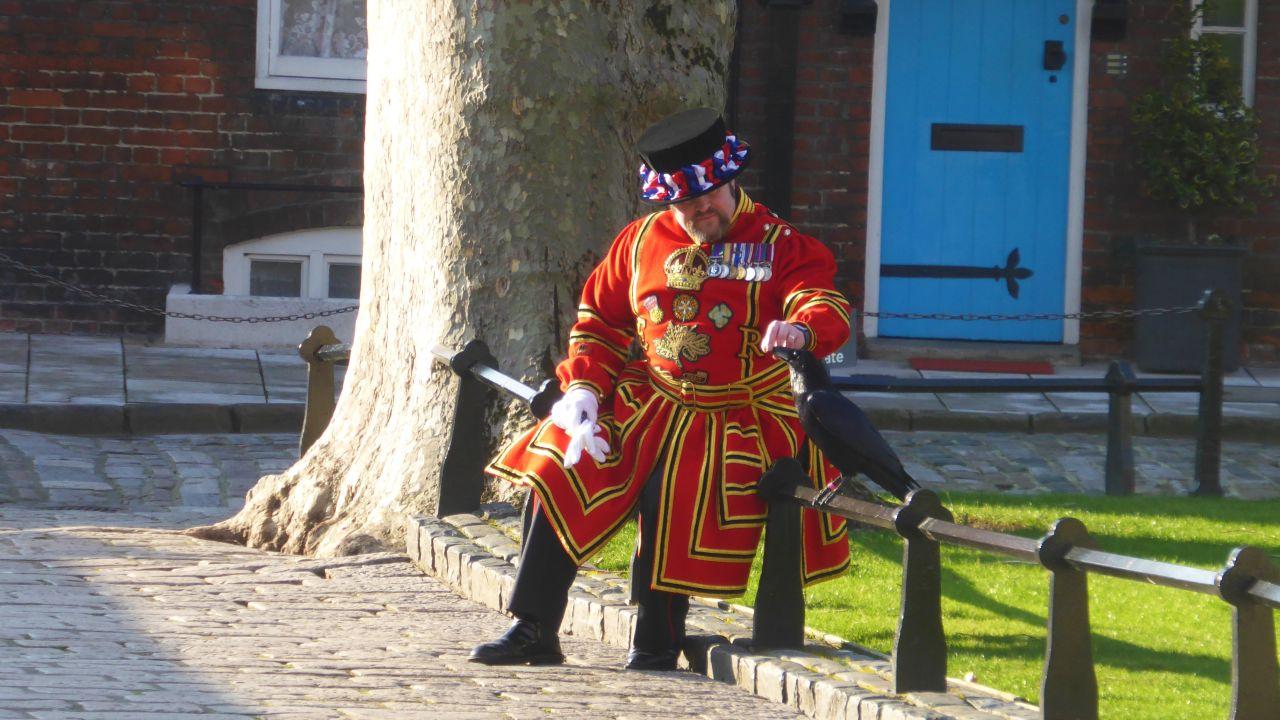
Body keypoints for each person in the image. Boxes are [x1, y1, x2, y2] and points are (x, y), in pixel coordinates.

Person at [471, 107, 852, 670]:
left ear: (730, 182)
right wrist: (583, 392)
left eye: (711, 197)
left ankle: (656, 642)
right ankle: (532, 627)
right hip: (650, 395)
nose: (702, 210)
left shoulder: (780, 244)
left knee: (678, 483)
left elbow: (822, 301)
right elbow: (599, 323)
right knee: (557, 465)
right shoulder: (640, 240)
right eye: (687, 203)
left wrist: (802, 328)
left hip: (739, 412)